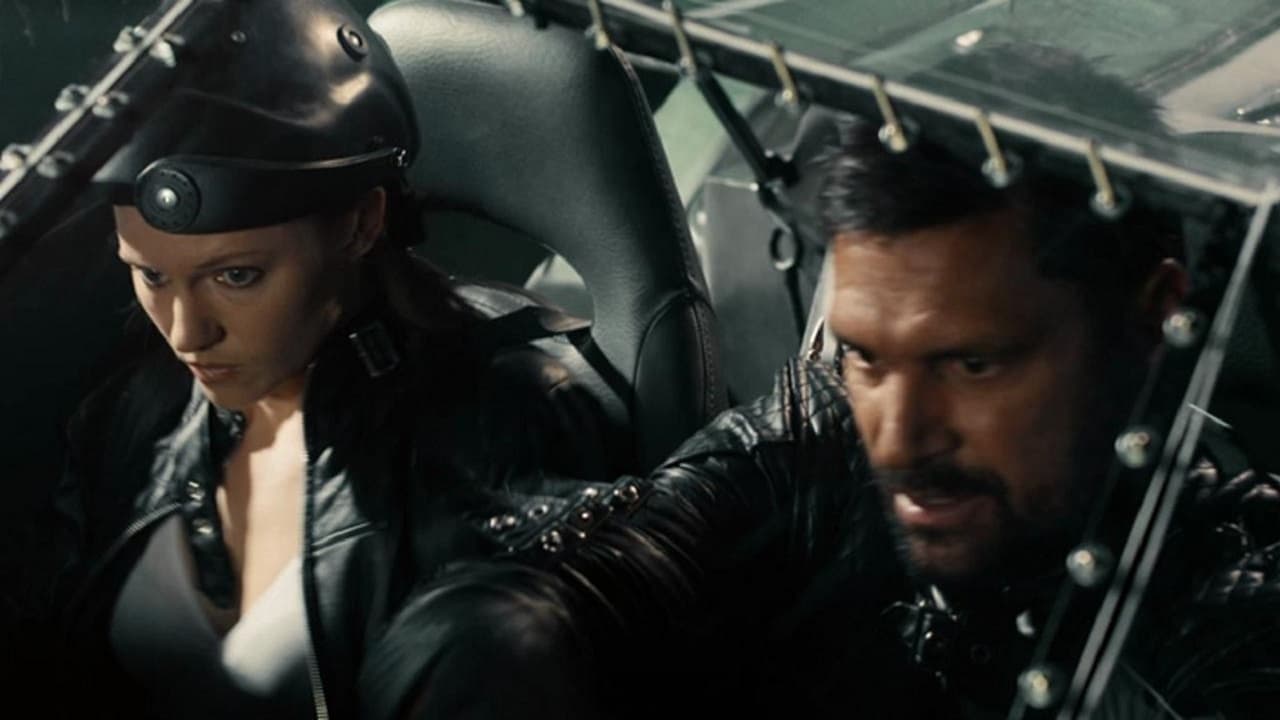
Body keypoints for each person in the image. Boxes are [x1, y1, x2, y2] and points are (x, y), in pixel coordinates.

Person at [359, 45, 1280, 720]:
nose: (899, 436)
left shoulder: (1237, 605)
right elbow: (636, 550)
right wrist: (500, 632)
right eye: (868, 354)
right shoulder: (825, 430)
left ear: (1154, 319)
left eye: (972, 364)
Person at [34, 0, 609, 716]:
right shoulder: (136, 416)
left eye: (236, 275)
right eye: (151, 275)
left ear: (362, 223)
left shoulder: (503, 421)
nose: (186, 334)